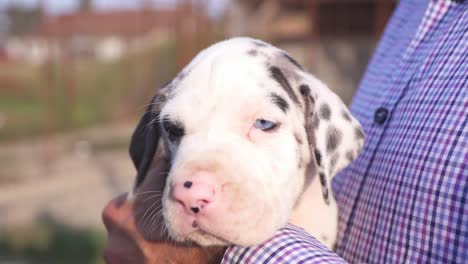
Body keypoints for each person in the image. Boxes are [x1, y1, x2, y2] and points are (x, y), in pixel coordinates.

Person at [102, 0, 467, 263]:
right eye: (176, 129)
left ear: (323, 143)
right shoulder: (412, 10)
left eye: (264, 124)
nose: (195, 188)